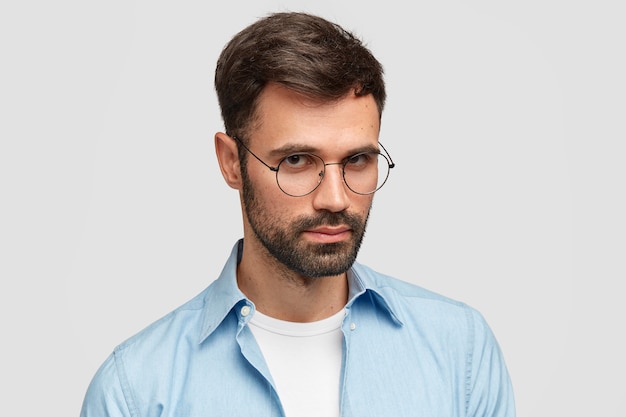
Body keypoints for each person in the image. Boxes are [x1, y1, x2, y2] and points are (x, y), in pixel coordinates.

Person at [80, 11, 515, 417]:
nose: (335, 198)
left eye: (357, 160)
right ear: (232, 162)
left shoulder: (462, 352)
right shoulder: (136, 389)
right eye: (296, 161)